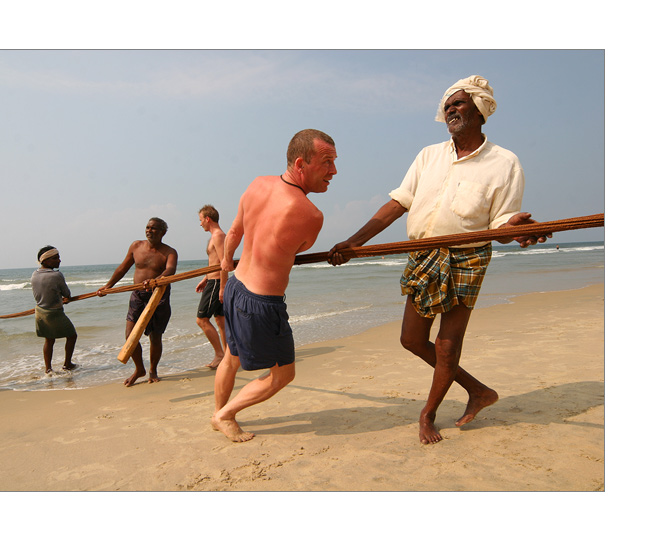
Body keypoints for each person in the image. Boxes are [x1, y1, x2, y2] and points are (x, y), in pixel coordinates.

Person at [328, 75, 549, 445]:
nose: (450, 109)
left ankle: (428, 414)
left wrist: (516, 228)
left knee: (448, 343)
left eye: (459, 103)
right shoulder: (428, 156)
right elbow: (398, 203)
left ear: (480, 109)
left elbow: (499, 225)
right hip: (425, 254)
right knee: (411, 339)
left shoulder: (505, 163)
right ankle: (478, 390)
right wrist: (353, 242)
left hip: (468, 256)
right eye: (447, 104)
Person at [212, 128, 338, 442]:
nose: (333, 171)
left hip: (237, 286)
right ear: (300, 164)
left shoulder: (258, 184)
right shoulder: (310, 214)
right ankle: (223, 415)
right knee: (283, 374)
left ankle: (219, 413)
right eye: (326, 163)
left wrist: (227, 265)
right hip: (261, 303)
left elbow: (234, 232)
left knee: (232, 358)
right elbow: (300, 247)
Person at [97, 218, 178, 386]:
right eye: (147, 227)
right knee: (130, 335)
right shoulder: (136, 246)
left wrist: (156, 280)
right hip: (138, 294)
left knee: (155, 337)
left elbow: (170, 269)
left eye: (154, 228)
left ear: (163, 232)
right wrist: (108, 286)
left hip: (158, 295)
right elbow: (122, 268)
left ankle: (153, 370)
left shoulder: (169, 252)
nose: (149, 231)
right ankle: (139, 369)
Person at [31, 246, 78, 374]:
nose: (59, 260)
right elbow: (67, 293)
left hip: (40, 311)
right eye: (55, 258)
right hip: (54, 312)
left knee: (49, 340)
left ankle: (48, 369)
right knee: (72, 336)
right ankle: (67, 364)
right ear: (45, 260)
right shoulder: (56, 275)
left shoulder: (34, 274)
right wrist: (65, 298)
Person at [195, 204, 228, 369]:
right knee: (220, 320)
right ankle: (228, 355)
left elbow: (224, 262)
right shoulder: (215, 236)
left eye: (201, 220)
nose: (200, 224)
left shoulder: (218, 236)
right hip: (213, 280)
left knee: (201, 320)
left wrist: (222, 287)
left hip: (217, 284)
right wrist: (205, 278)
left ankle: (220, 355)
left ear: (208, 219)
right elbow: (214, 262)